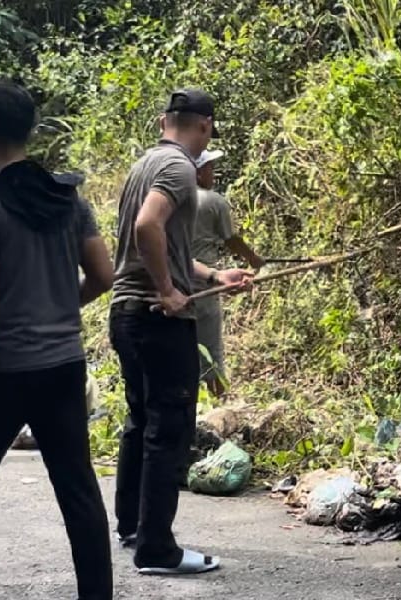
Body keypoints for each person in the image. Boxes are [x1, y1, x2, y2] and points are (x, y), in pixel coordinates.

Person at [0, 78, 114, 599]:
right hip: (62, 365)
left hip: (5, 368)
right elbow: (103, 275)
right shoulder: (67, 196)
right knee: (78, 491)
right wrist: (60, 306)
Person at [109, 88, 252, 575]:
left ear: (161, 120)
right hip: (157, 317)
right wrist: (170, 291)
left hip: (127, 313)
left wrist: (213, 276)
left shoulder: (144, 165)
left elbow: (160, 243)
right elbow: (147, 229)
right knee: (168, 431)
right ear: (205, 126)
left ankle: (133, 527)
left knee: (141, 421)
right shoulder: (178, 168)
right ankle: (157, 550)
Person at [191, 148, 264, 396]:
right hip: (203, 284)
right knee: (211, 351)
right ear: (198, 173)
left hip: (173, 285)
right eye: (209, 167)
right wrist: (253, 258)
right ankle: (217, 402)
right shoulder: (213, 201)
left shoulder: (169, 200)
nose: (214, 172)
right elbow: (231, 239)